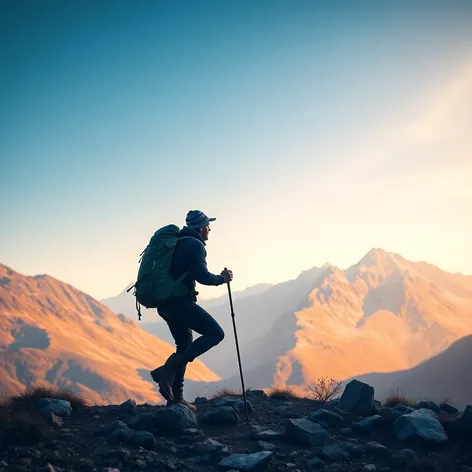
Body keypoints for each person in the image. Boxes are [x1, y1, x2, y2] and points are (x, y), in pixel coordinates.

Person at [150, 210, 233, 410]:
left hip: (166, 304)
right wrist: (223, 279)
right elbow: (202, 276)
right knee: (215, 333)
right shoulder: (194, 245)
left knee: (184, 346)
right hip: (180, 304)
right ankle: (167, 370)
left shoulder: (177, 243)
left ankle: (176, 398)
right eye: (208, 226)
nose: (210, 230)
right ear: (201, 227)